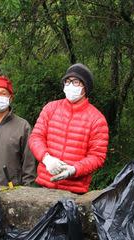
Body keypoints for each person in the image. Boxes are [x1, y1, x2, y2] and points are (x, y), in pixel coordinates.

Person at [29, 63, 109, 194]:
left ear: (85, 87)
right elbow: (36, 137)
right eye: (67, 81)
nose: (70, 85)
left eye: (76, 82)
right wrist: (46, 158)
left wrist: (74, 170)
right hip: (44, 185)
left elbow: (97, 156)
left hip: (75, 191)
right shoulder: (51, 108)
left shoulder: (97, 119)